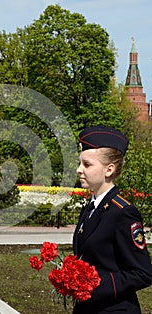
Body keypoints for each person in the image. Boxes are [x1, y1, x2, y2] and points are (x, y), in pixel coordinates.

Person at [73, 126, 152, 313]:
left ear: (109, 170)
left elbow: (143, 273)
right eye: (80, 163)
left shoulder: (123, 213)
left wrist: (94, 286)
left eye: (87, 164)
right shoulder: (91, 207)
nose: (78, 170)